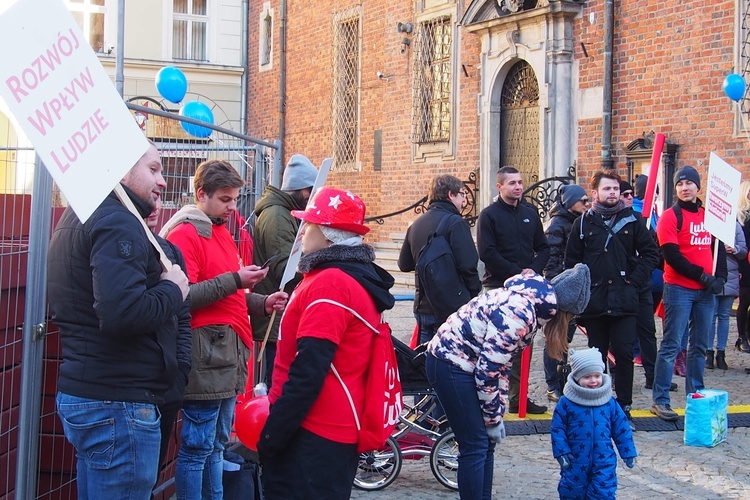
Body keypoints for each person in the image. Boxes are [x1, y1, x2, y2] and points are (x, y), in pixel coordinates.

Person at [48, 144, 191, 498]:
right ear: (123, 170)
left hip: (97, 394)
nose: (162, 181)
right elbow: (120, 312)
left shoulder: (83, 214)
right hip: (118, 403)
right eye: (155, 169)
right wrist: (174, 289)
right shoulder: (117, 220)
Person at [160, 159, 288, 500]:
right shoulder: (186, 233)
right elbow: (183, 296)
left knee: (215, 445)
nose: (233, 207)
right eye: (226, 200)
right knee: (198, 446)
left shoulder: (217, 230)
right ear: (202, 194)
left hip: (224, 354)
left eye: (235, 199)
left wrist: (262, 302)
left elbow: (228, 294)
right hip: (206, 355)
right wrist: (236, 279)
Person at [257, 187, 396, 499]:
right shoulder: (335, 278)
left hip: (315, 432)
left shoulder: (331, 284)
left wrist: (273, 434)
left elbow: (309, 370)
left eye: (311, 225)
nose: (303, 231)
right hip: (326, 429)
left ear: (329, 236)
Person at [426, 264, 591, 499]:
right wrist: (492, 419)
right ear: (565, 313)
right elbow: (489, 371)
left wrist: (496, 413)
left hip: (463, 362)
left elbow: (502, 366)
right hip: (450, 363)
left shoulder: (532, 304)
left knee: (486, 444)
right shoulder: (520, 314)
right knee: (475, 445)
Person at [565, 170, 660, 428]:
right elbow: (572, 263)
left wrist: (634, 281)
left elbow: (652, 254)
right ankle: (599, 401)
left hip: (625, 300)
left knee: (624, 353)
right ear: (595, 193)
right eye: (607, 189)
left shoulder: (633, 221)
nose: (612, 193)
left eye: (615, 189)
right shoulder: (583, 223)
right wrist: (582, 291)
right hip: (595, 302)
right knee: (597, 356)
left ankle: (624, 405)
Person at [651, 166, 728, 421]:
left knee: (700, 346)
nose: (685, 187)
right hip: (679, 289)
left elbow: (719, 251)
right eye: (680, 183)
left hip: (706, 292)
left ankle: (696, 394)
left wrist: (721, 278)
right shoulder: (670, 217)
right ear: (675, 189)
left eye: (689, 183)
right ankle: (660, 399)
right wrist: (702, 276)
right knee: (673, 344)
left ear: (698, 187)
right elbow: (671, 256)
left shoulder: (710, 217)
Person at [477, 165, 550, 414]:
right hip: (497, 286)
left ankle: (519, 397)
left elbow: (544, 248)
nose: (518, 187)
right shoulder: (489, 215)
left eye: (520, 182)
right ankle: (487, 398)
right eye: (512, 183)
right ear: (500, 186)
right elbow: (486, 252)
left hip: (526, 290)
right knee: (495, 345)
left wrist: (532, 270)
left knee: (523, 344)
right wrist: (516, 274)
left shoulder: (530, 213)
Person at [252, 154, 318, 387]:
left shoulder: (284, 212)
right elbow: (284, 270)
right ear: (300, 189)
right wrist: (317, 263)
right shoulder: (277, 216)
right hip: (276, 313)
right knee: (276, 383)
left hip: (280, 310)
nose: (311, 198)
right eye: (310, 191)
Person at [398, 174, 482, 344]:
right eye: (462, 194)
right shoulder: (455, 222)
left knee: (424, 361)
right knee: (449, 360)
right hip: (450, 306)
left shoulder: (416, 224)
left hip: (423, 305)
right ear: (451, 195)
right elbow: (468, 265)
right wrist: (473, 294)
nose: (464, 201)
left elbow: (404, 264)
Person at [551, 348, 636, 499]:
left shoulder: (609, 402)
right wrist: (561, 451)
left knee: (603, 492)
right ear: (577, 378)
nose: (593, 381)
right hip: (575, 459)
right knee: (571, 491)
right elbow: (558, 429)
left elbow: (621, 428)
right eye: (587, 377)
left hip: (604, 459)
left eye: (597, 376)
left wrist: (628, 452)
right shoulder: (566, 402)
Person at [146, 200, 193, 471]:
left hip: (169, 383)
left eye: (157, 201)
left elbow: (184, 316)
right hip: (138, 384)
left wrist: (181, 369)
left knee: (152, 472)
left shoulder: (171, 252)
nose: (154, 206)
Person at [542, 184, 589, 402]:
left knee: (566, 338)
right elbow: (552, 260)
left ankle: (562, 379)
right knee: (556, 338)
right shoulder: (557, 225)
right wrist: (557, 288)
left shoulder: (579, 222)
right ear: (571, 202)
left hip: (576, 287)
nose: (587, 204)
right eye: (583, 201)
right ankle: (553, 384)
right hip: (562, 288)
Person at [707, 221, 747, 370]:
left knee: (724, 316)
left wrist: (735, 249)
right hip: (712, 274)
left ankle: (721, 352)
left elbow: (743, 251)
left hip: (730, 275)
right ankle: (708, 352)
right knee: (711, 316)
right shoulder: (708, 223)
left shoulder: (735, 226)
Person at [735, 180, 750, 356]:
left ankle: (748, 333)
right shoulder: (740, 216)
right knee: (744, 300)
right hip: (744, 262)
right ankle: (741, 336)